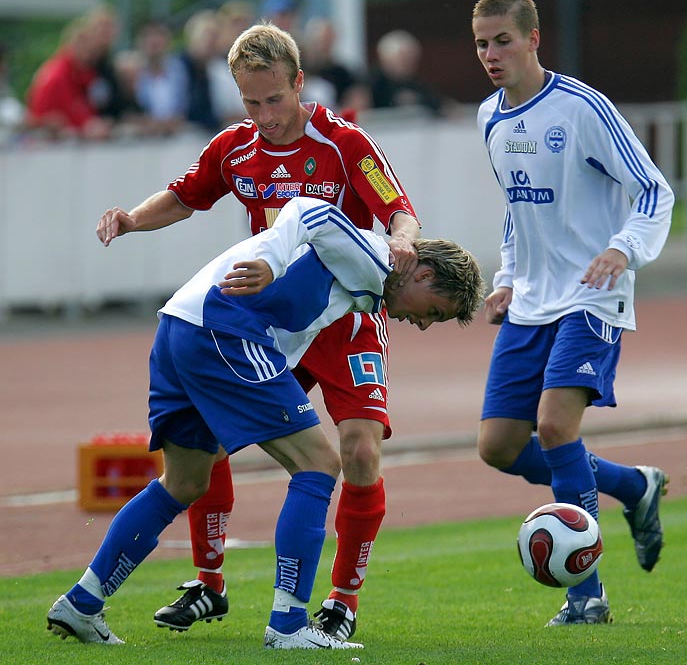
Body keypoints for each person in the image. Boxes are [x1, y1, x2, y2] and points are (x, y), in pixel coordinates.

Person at [95, 22, 422, 641]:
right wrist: (132, 220)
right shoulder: (235, 146)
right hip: (273, 322)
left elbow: (396, 207)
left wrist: (402, 240)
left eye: (275, 99)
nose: (265, 115)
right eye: (251, 102)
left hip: (345, 318)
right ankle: (208, 584)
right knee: (207, 445)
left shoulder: (345, 143)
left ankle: (342, 600)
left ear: (300, 83)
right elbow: (187, 196)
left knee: (357, 449)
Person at [47, 195, 484, 649]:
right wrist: (272, 263)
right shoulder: (377, 256)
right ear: (424, 273)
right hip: (224, 329)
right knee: (318, 463)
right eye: (435, 310)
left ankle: (83, 602)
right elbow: (306, 210)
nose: (424, 324)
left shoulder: (367, 290)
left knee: (184, 481)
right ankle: (289, 624)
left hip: (179, 325)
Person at [471, 0, 674, 626]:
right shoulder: (490, 118)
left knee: (556, 428)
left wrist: (623, 250)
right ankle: (632, 486)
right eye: (481, 42)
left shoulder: (582, 107)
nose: (490, 54)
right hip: (531, 299)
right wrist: (507, 276)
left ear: (534, 39)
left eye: (502, 40)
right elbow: (516, 208)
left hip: (593, 292)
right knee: (499, 446)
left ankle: (587, 598)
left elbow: (653, 187)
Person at [25, 16, 113, 140]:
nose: (87, 52)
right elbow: (70, 107)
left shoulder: (85, 73)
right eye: (82, 45)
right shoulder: (59, 73)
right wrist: (88, 125)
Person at [369, 29, 444, 117]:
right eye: (403, 59)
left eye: (412, 59)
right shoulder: (371, 83)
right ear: (386, 58)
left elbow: (435, 102)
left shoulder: (413, 82)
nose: (409, 64)